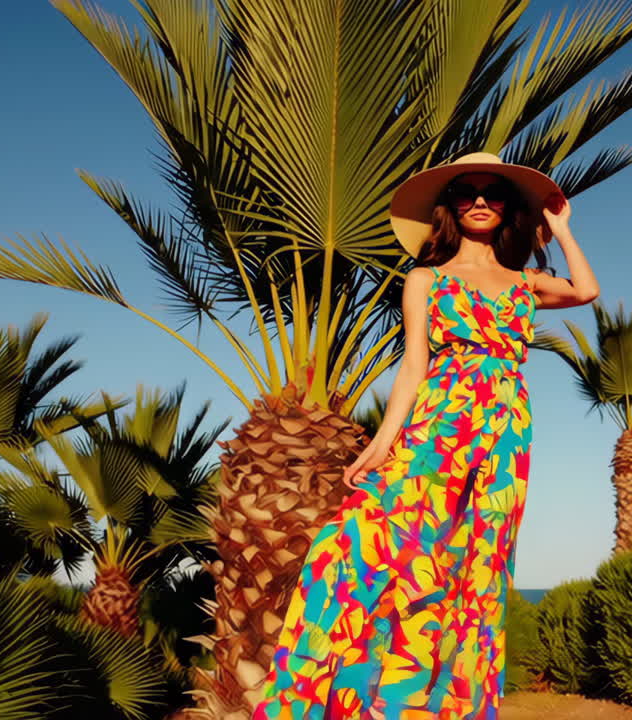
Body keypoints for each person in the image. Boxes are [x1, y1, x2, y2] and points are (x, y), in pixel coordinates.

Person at [250, 152, 600, 720]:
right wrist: (381, 444)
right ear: (451, 207)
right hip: (441, 420)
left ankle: (441, 705)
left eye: (494, 193)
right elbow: (413, 366)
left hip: (506, 429)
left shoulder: (524, 283)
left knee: (480, 562)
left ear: (508, 208)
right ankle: (341, 693)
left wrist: (559, 229)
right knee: (373, 541)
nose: (481, 202)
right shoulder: (427, 279)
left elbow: (586, 289)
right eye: (468, 192)